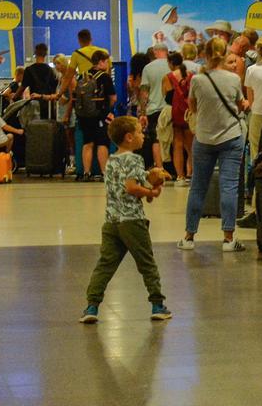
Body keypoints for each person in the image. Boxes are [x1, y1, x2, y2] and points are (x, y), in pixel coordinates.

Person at [79, 116, 173, 324]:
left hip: (111, 220)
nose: (142, 136)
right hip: (132, 221)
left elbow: (132, 183)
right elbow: (131, 187)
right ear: (129, 137)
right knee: (147, 263)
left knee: (105, 264)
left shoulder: (111, 161)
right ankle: (157, 304)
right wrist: (152, 192)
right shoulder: (134, 159)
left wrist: (148, 187)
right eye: (139, 132)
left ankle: (91, 306)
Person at [178, 37, 250, 252]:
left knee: (198, 187)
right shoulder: (233, 79)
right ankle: (228, 239)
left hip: (204, 138)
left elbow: (193, 106)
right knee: (229, 186)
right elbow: (240, 105)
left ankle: (189, 237)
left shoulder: (198, 81)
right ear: (224, 53)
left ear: (206, 55)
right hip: (231, 137)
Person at [73, 50, 116, 180]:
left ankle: (86, 172)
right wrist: (109, 109)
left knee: (88, 143)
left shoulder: (83, 76)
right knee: (102, 143)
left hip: (84, 116)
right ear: (101, 62)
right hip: (100, 115)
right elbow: (113, 98)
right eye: (106, 61)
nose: (108, 64)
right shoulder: (104, 77)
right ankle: (104, 172)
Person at [162, 52, 193, 186]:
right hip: (189, 112)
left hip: (176, 113)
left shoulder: (168, 77)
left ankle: (180, 176)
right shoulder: (191, 75)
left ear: (170, 63)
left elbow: (167, 97)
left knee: (177, 145)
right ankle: (191, 173)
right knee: (191, 147)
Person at [141, 42, 171, 168]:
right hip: (170, 108)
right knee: (172, 139)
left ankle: (160, 168)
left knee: (156, 140)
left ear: (154, 52)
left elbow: (144, 93)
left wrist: (143, 112)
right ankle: (175, 169)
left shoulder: (148, 68)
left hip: (154, 109)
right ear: (167, 52)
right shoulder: (173, 66)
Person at [22, 43, 59, 117]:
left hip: (34, 104)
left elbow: (23, 87)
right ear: (45, 54)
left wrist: (15, 97)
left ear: (35, 53)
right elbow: (55, 88)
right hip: (49, 105)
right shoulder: (51, 70)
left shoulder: (29, 70)